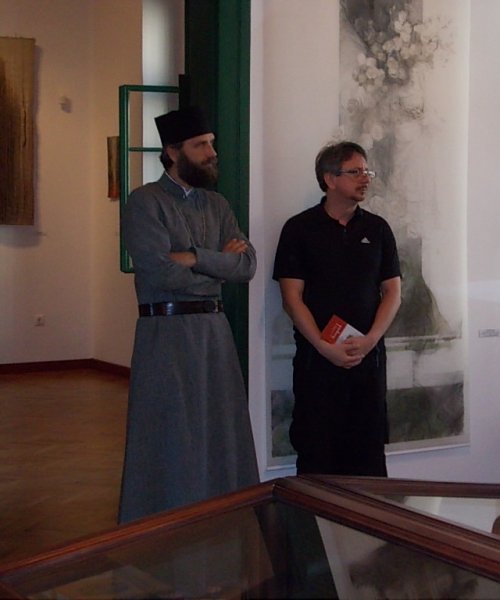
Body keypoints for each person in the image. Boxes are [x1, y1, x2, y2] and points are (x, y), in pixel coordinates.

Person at [118, 106, 259, 524]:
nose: (212, 153)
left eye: (211, 144)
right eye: (201, 145)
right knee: (169, 431)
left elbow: (247, 266)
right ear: (172, 151)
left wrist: (195, 257)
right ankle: (161, 526)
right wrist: (217, 266)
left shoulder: (217, 205)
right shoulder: (145, 202)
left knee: (219, 430)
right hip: (166, 333)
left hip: (215, 333)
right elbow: (159, 272)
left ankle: (223, 521)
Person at [273, 141, 402, 476]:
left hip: (367, 362)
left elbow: (393, 292)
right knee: (317, 456)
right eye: (355, 172)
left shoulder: (378, 229)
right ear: (330, 179)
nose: (365, 178)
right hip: (317, 362)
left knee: (369, 457)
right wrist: (323, 346)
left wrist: (370, 340)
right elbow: (291, 298)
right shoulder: (299, 229)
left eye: (367, 171)